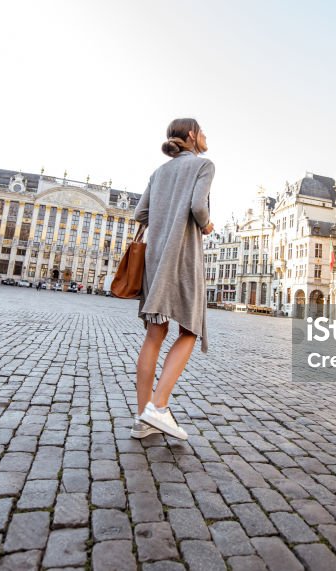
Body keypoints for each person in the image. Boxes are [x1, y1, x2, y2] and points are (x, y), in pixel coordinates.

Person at [130, 118, 214, 440]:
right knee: (191, 328)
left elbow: (140, 214)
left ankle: (143, 418)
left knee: (155, 333)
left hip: (155, 258)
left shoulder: (159, 172)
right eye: (203, 130)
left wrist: (165, 215)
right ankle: (159, 406)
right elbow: (197, 207)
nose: (206, 136)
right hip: (183, 256)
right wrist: (205, 225)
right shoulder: (203, 165)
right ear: (192, 135)